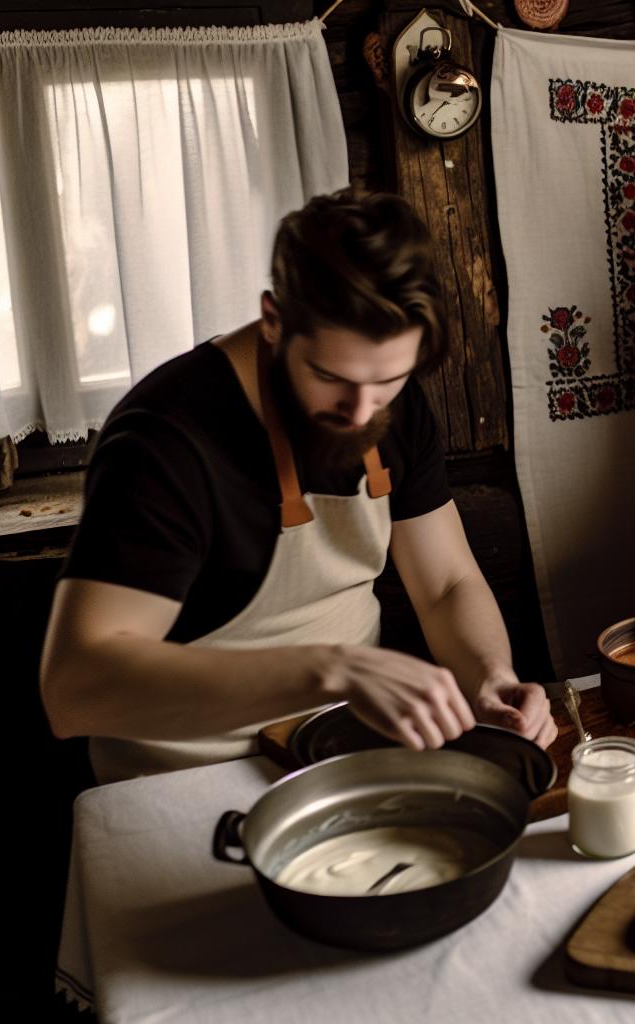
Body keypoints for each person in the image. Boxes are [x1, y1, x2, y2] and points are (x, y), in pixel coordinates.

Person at [40, 189, 556, 784]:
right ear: (273, 320)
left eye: (388, 380)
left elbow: (445, 584)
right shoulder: (165, 442)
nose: (362, 411)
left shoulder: (391, 404)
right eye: (331, 377)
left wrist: (490, 676)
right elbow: (74, 690)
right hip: (184, 777)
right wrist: (332, 670)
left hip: (345, 749)